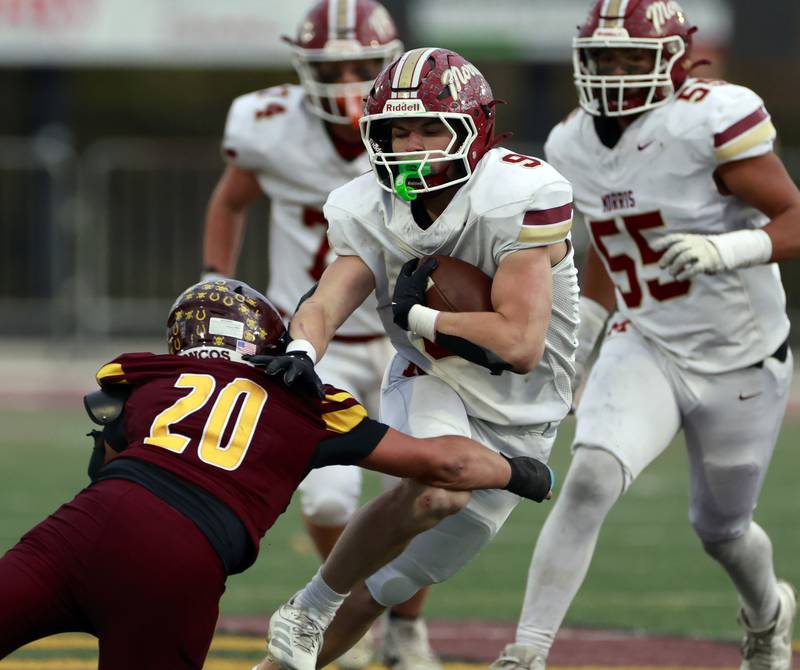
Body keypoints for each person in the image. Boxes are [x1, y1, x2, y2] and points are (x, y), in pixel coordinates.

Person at [0, 278, 554, 670]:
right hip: (182, 553)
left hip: (81, 530)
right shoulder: (306, 402)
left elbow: (105, 451)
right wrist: (520, 474)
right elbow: (448, 462)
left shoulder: (150, 371)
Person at [490, 1, 800, 669]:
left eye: (635, 57)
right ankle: (528, 651)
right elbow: (608, 244)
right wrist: (587, 337)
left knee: (722, 531)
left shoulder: (708, 120)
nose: (618, 71)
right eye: (606, 57)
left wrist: (731, 250)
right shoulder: (572, 140)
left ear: (675, 59)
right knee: (591, 476)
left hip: (741, 359)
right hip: (648, 340)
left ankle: (768, 617)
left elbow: (794, 218)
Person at [251, 46, 579, 670]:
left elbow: (519, 344)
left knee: (389, 588)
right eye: (397, 129)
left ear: (474, 130)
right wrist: (302, 347)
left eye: (432, 127)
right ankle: (308, 606)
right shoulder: (364, 203)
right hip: (433, 375)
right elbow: (327, 299)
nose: (412, 144)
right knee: (437, 494)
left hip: (527, 410)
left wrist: (421, 314)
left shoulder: (518, 192)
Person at [201, 2, 441, 667]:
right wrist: (215, 279)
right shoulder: (270, 126)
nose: (348, 81)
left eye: (365, 66)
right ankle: (340, 606)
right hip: (312, 343)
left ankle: (405, 624)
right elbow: (231, 197)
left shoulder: (420, 128)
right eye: (334, 68)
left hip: (409, 343)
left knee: (428, 493)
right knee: (330, 494)